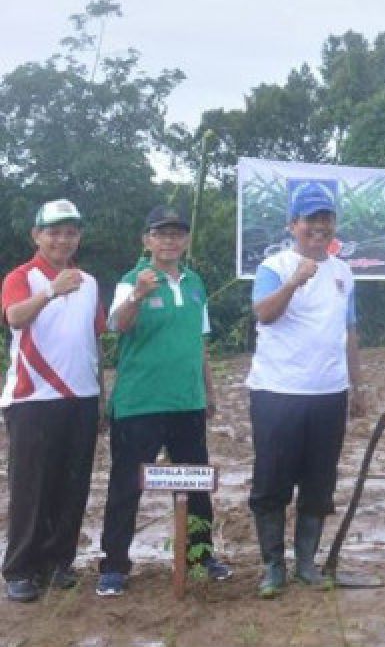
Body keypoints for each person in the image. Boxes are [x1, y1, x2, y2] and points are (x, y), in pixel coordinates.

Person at [97, 206, 232, 597]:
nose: (170, 240)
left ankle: (201, 555)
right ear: (147, 241)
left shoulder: (195, 283)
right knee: (126, 485)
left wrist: (209, 390)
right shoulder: (131, 280)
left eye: (177, 234)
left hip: (187, 402)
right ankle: (114, 566)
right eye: (161, 233)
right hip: (139, 403)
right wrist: (138, 295)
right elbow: (116, 326)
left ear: (185, 241)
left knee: (195, 482)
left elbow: (200, 342)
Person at [246, 182, 364, 598]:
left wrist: (357, 384)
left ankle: (307, 563)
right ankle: (273, 565)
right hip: (277, 392)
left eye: (326, 219)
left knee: (319, 482)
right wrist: (294, 282)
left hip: (329, 393)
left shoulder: (343, 271)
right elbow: (264, 313)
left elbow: (349, 331)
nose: (319, 227)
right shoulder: (275, 267)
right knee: (272, 481)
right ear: (293, 224)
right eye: (310, 220)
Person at [2, 200, 104, 602]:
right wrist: (50, 290)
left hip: (81, 397)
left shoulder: (90, 282)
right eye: (54, 231)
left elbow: (94, 339)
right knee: (31, 488)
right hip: (33, 399)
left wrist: (100, 396)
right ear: (37, 235)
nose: (63, 239)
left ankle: (59, 563)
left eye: (71, 231)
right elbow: (14, 318)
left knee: (73, 485)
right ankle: (20, 569)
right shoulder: (22, 277)